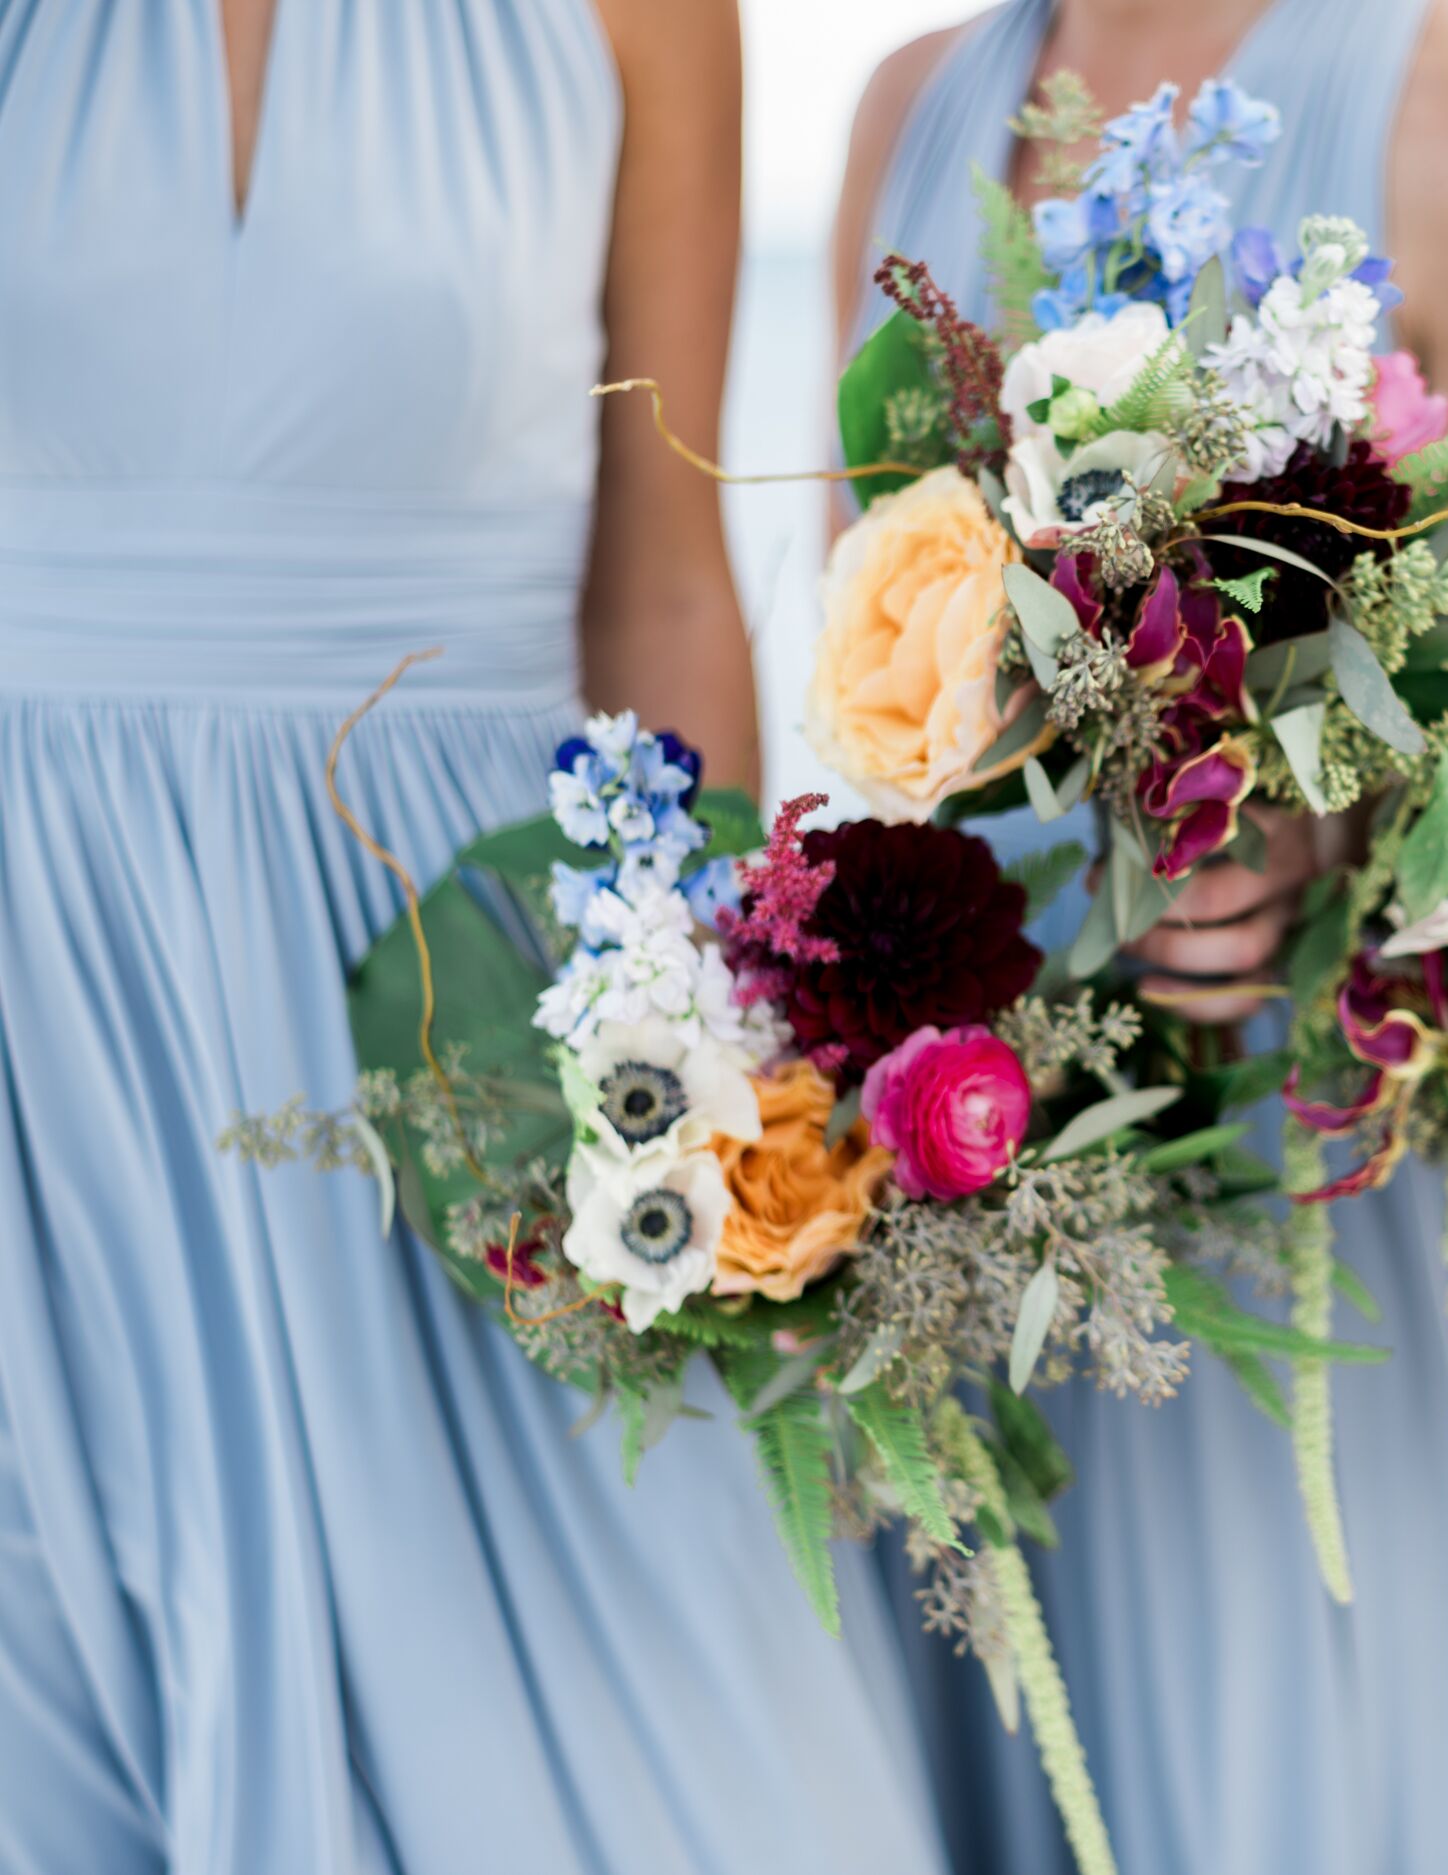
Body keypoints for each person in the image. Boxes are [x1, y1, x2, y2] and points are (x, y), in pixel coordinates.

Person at [0, 2, 948, 1867]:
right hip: (44, 1000)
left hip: (475, 998)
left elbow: (664, 579)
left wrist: (714, 1056)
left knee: (722, 1766)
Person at [832, 3, 1448, 1870]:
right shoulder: (911, 114)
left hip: (1338, 1232)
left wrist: (1343, 842)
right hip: (986, 1202)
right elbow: (871, 676)